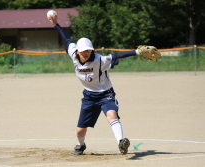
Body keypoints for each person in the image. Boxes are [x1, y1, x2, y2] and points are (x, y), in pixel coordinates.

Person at [47, 11, 142, 155]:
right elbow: (67, 39)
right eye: (83, 51)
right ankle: (80, 145)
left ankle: (121, 143)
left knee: (111, 115)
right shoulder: (73, 54)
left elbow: (117, 55)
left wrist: (136, 52)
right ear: (77, 51)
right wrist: (55, 24)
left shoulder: (99, 60)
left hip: (106, 94)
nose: (86, 53)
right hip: (89, 97)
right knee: (80, 129)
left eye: (89, 50)